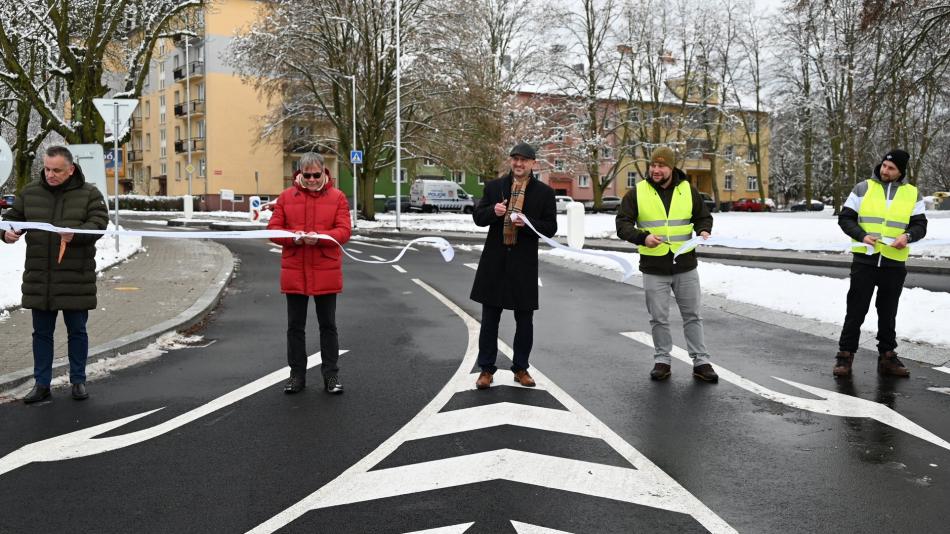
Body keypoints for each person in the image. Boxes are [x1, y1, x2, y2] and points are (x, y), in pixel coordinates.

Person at [2, 145, 109, 403]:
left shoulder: (89, 194)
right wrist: (6, 233)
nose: (50, 174)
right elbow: (11, 219)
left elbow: (99, 224)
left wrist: (76, 235)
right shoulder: (30, 192)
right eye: (47, 169)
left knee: (77, 332)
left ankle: (78, 381)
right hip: (41, 278)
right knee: (41, 334)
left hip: (75, 278)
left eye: (57, 170)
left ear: (71, 169)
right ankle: (41, 384)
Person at [616, 146, 718, 382]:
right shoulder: (637, 192)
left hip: (685, 265)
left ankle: (701, 362)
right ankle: (662, 360)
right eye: (653, 165)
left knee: (692, 315)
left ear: (671, 167)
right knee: (659, 318)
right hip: (654, 267)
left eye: (661, 166)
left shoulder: (687, 190)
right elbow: (623, 224)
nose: (656, 169)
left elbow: (703, 215)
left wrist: (704, 229)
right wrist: (643, 237)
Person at [470, 142, 557, 390]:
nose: (519, 164)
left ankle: (521, 368)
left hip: (523, 265)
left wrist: (528, 224)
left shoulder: (544, 193)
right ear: (511, 161)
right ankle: (486, 369)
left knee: (525, 321)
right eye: (515, 159)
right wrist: (493, 212)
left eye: (524, 160)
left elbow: (550, 228)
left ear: (532, 164)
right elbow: (478, 217)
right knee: (489, 320)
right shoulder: (495, 186)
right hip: (495, 263)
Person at [834, 149, 927, 378]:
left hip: (894, 262)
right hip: (864, 260)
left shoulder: (913, 194)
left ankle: (887, 356)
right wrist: (862, 235)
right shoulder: (863, 188)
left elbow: (920, 226)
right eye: (884, 165)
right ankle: (845, 355)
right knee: (855, 310)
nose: (885, 170)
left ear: (901, 172)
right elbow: (845, 218)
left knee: (888, 312)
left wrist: (907, 237)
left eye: (891, 168)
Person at [268, 152, 352, 394]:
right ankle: (297, 376)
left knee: (328, 326)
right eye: (308, 175)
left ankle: (331, 377)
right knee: (295, 327)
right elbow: (273, 229)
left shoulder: (337, 197)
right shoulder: (286, 197)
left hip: (326, 269)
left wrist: (322, 239)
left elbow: (344, 231)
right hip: (295, 270)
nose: (313, 179)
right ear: (300, 174)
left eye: (317, 175)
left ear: (324, 172)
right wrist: (293, 238)